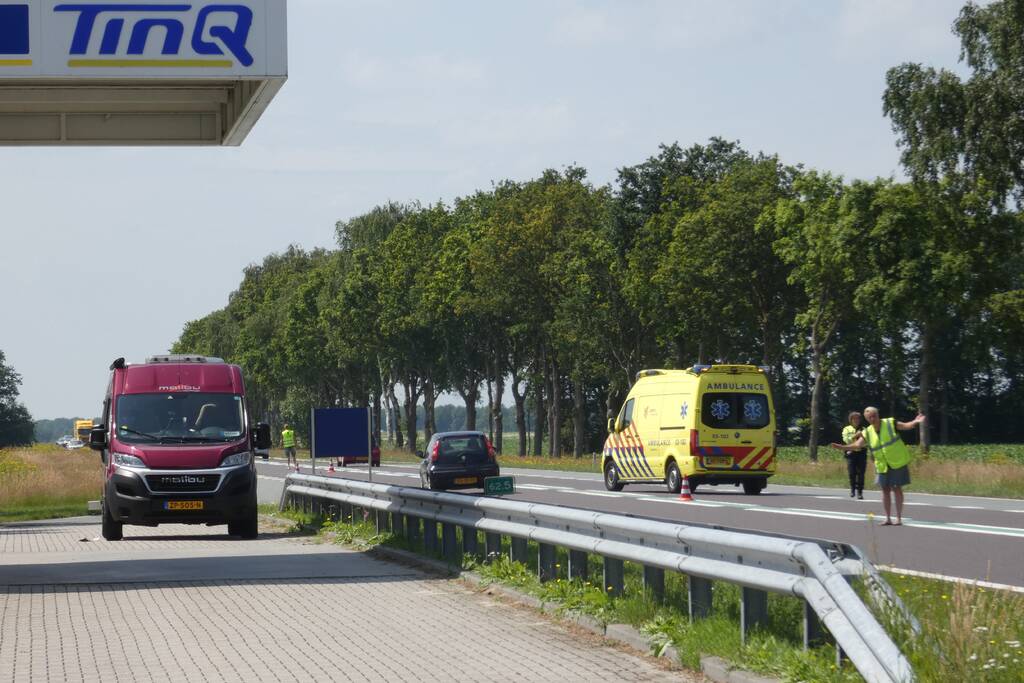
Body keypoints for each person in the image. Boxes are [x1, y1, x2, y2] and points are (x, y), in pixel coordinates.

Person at [831, 407, 925, 526]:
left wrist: (915, 422)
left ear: (878, 415)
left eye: (874, 416)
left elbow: (905, 426)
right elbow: (857, 445)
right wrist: (842, 447)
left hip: (897, 462)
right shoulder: (867, 432)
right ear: (866, 419)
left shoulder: (890, 423)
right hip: (881, 465)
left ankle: (899, 518)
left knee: (897, 488)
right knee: (885, 490)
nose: (872, 419)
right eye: (869, 417)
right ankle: (888, 518)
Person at [841, 411, 867, 499]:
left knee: (861, 473)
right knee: (852, 472)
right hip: (851, 453)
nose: (856, 420)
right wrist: (855, 436)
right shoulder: (847, 429)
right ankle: (852, 489)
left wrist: (861, 439)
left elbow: (866, 441)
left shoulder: (864, 429)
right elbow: (846, 440)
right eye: (854, 419)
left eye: (858, 418)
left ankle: (860, 492)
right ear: (851, 420)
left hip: (861, 452)